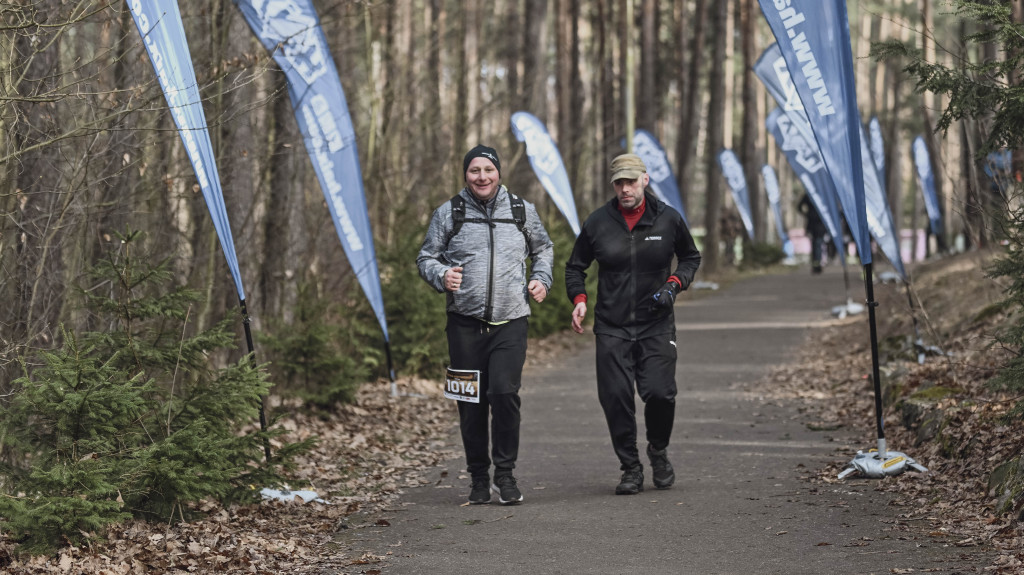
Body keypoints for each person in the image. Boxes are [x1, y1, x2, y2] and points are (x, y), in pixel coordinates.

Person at [417, 145, 554, 506]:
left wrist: (541, 279)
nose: (482, 177)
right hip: (463, 324)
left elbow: (543, 248)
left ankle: (505, 475)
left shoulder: (523, 211)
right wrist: (441, 274)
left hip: (511, 322)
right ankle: (479, 478)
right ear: (466, 175)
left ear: (498, 173)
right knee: (470, 403)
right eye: (474, 170)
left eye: (488, 170)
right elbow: (426, 256)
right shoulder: (450, 212)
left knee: (505, 395)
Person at [564, 153, 701, 495]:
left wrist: (674, 284)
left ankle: (657, 448)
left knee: (660, 393)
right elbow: (574, 267)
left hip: (656, 323)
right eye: (619, 183)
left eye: (630, 181)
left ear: (644, 180)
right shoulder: (598, 222)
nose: (625, 189)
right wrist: (579, 300)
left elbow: (690, 257)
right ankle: (630, 468)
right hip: (612, 325)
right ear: (613, 185)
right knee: (615, 398)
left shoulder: (668, 219)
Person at [798, 192, 827, 274]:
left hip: (815, 224)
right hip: (818, 224)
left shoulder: (809, 193)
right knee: (817, 244)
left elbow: (799, 207)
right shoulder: (821, 193)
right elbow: (799, 206)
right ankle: (817, 264)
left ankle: (816, 264)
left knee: (816, 244)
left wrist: (807, 214)